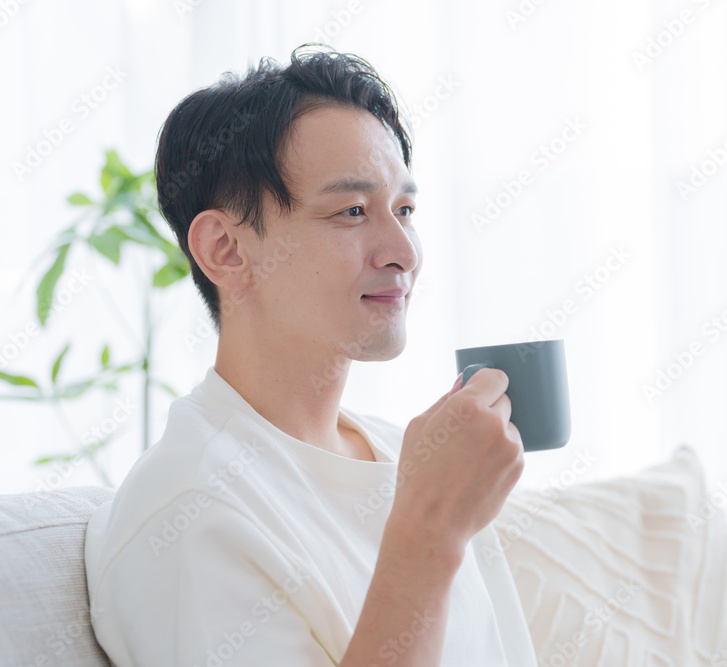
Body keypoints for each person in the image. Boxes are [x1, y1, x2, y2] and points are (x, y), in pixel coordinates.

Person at [83, 44, 538, 666]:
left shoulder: (407, 454)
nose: (404, 251)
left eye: (405, 210)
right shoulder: (188, 511)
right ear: (225, 250)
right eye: (352, 211)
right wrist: (430, 528)